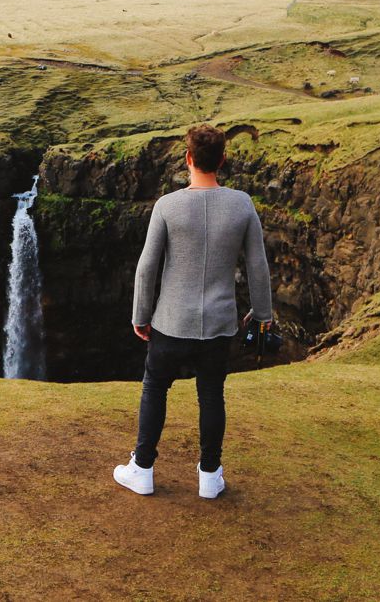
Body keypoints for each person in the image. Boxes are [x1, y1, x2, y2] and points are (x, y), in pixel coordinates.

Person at [113, 124, 274, 499]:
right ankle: (209, 476)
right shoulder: (242, 204)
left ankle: (143, 469)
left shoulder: (167, 206)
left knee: (155, 388)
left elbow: (147, 266)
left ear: (188, 159)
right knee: (212, 394)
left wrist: (140, 316)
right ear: (222, 159)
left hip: (170, 322)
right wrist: (263, 313)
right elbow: (258, 265)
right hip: (219, 325)